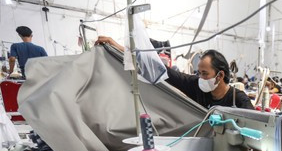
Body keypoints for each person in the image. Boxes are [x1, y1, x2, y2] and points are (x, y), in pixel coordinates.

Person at [95, 36, 253, 109]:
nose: (200, 78)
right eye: (199, 73)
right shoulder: (195, 86)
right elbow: (159, 68)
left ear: (220, 75)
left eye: (205, 74)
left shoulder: (238, 100)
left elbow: (258, 132)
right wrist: (118, 48)